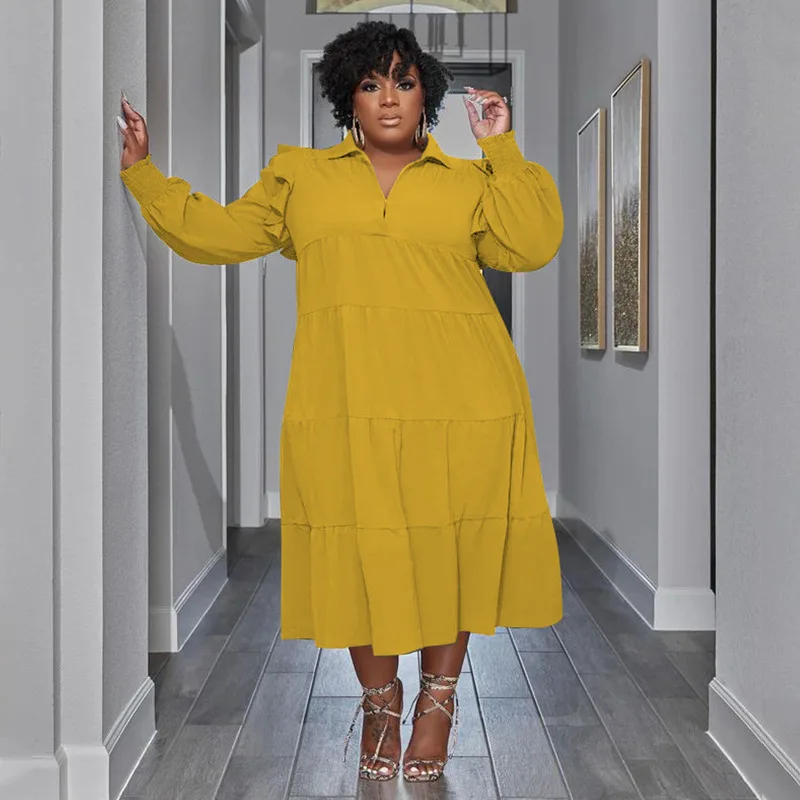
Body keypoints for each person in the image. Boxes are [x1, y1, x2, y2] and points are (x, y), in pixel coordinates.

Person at [119, 19, 563, 785]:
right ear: (345, 99)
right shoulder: (301, 178)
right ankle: (381, 702)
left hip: (463, 401)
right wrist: (146, 177)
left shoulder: (469, 182)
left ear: (426, 95)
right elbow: (219, 234)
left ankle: (438, 703)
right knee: (362, 554)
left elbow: (532, 242)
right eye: (370, 83)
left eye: (404, 82)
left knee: (450, 552)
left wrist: (502, 147)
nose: (388, 98)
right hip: (346, 400)